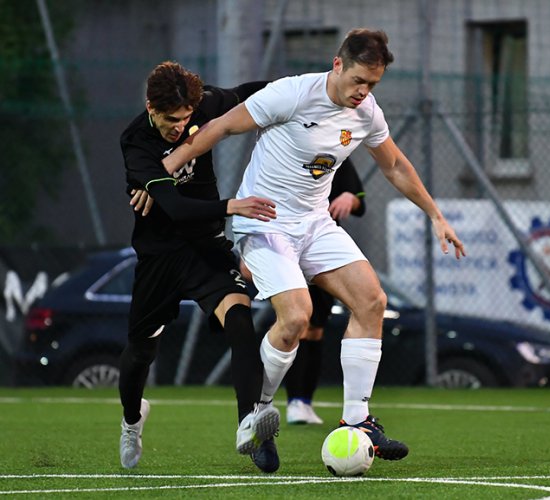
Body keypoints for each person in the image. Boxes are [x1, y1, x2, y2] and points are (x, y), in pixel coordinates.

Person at [161, 29, 466, 469]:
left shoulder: (366, 113)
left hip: (315, 225)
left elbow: (395, 164)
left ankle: (359, 421)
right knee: (297, 316)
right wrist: (163, 171)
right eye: (359, 80)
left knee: (371, 301)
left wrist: (436, 215)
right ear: (337, 65)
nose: (364, 92)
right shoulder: (291, 93)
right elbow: (224, 125)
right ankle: (256, 414)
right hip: (264, 222)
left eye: (373, 85)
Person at [118, 61, 280, 472]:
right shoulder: (136, 142)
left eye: (187, 118)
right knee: (140, 353)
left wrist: (314, 86)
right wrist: (232, 206)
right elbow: (173, 208)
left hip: (206, 249)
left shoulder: (203, 103)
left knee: (241, 321)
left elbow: (249, 90)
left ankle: (252, 426)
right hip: (160, 257)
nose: (180, 126)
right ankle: (132, 421)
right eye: (171, 120)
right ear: (150, 106)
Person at [284, 157, 366, 425]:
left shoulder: (335, 152)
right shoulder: (286, 149)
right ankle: (291, 400)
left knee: (316, 330)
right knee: (298, 323)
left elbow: (358, 199)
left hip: (324, 250)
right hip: (290, 246)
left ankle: (305, 402)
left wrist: (348, 198)